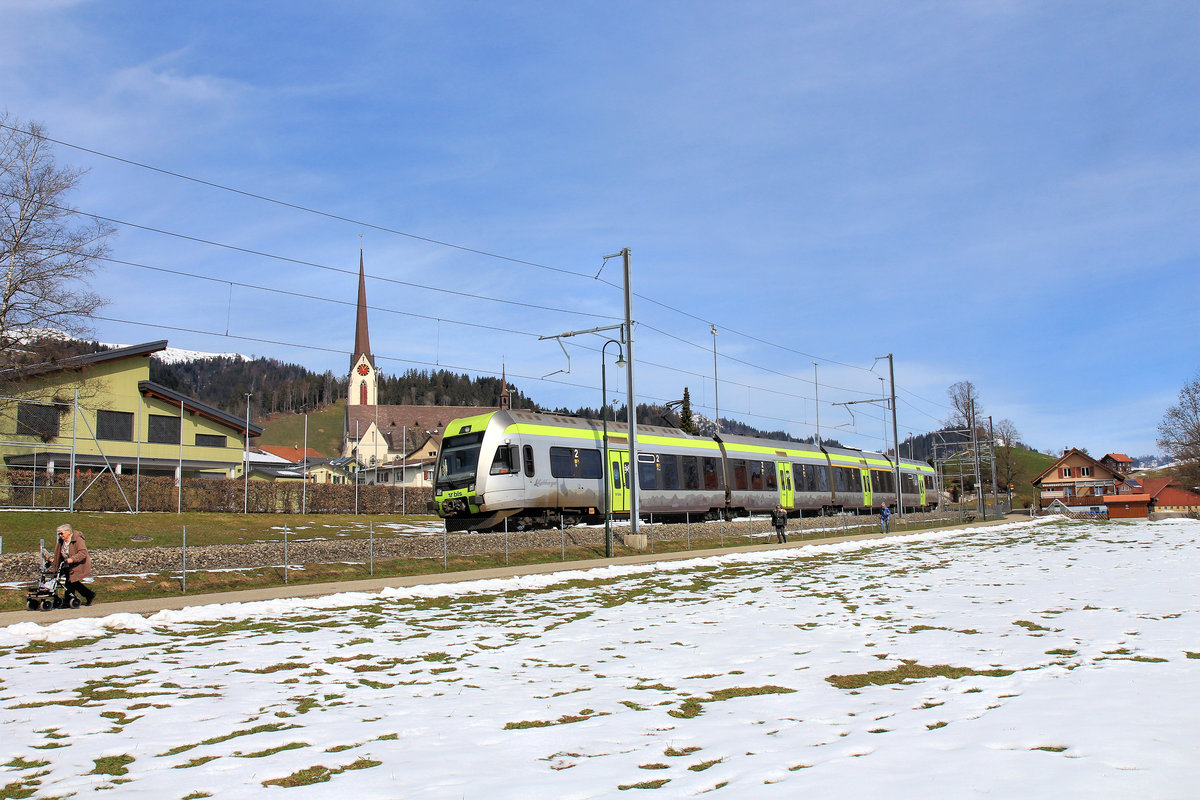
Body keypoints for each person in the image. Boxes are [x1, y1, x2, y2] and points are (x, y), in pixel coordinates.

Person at [51, 523, 95, 606]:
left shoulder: (78, 539)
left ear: (68, 532)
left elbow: (83, 553)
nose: (60, 535)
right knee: (70, 581)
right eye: (59, 534)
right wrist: (54, 560)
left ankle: (72, 599)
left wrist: (72, 559)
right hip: (66, 564)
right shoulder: (62, 541)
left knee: (71, 581)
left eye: (61, 533)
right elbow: (58, 554)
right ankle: (86, 595)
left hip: (77, 564)